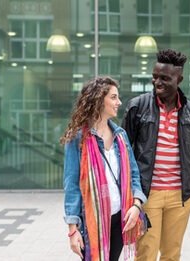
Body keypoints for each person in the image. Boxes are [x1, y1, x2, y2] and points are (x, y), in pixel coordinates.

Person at [122, 49, 190, 261]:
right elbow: (124, 153)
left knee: (171, 254)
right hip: (147, 195)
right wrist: (132, 193)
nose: (157, 82)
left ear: (179, 79)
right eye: (155, 76)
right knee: (146, 254)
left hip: (181, 196)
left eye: (165, 78)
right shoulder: (137, 106)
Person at [62, 76, 147, 261]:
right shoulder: (77, 138)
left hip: (119, 219)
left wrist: (136, 204)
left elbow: (133, 175)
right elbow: (72, 186)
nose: (119, 102)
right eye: (114, 97)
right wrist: (72, 230)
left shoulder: (120, 135)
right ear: (99, 100)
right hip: (92, 222)